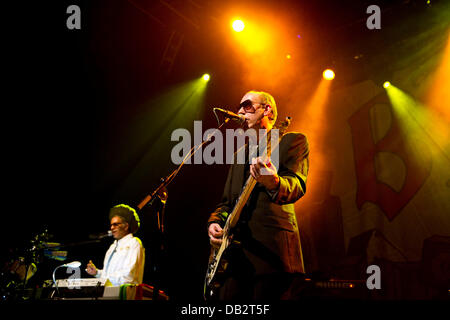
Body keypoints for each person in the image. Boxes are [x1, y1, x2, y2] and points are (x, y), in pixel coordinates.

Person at [207, 90, 309, 300]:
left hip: (271, 254)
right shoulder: (238, 156)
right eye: (239, 107)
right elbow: (226, 203)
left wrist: (274, 181)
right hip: (235, 261)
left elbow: (296, 185)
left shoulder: (291, 141)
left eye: (247, 105)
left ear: (267, 110)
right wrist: (215, 222)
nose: (240, 112)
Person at [86, 204, 145, 286]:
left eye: (116, 224)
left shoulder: (134, 243)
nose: (112, 228)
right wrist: (97, 272)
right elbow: (109, 274)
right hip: (109, 293)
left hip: (126, 294)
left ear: (126, 226)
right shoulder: (112, 247)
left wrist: (105, 280)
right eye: (111, 225)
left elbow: (128, 276)